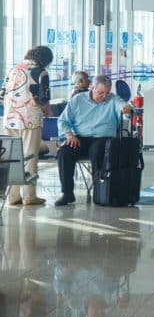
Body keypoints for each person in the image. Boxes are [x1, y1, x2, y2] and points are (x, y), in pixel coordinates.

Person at [55, 75, 132, 206]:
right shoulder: (78, 100)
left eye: (107, 93)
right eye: (100, 92)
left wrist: (127, 110)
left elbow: (124, 107)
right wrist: (69, 135)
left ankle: (100, 192)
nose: (104, 96)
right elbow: (63, 120)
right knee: (64, 152)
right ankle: (67, 193)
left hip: (103, 138)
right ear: (92, 88)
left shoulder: (113, 99)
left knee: (97, 151)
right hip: (80, 138)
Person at [1, 45, 53, 206]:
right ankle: (29, 196)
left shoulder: (13, 70)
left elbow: (2, 95)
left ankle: (13, 196)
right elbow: (44, 98)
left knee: (11, 158)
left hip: (10, 119)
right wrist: (46, 110)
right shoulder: (41, 72)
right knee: (30, 156)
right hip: (30, 120)